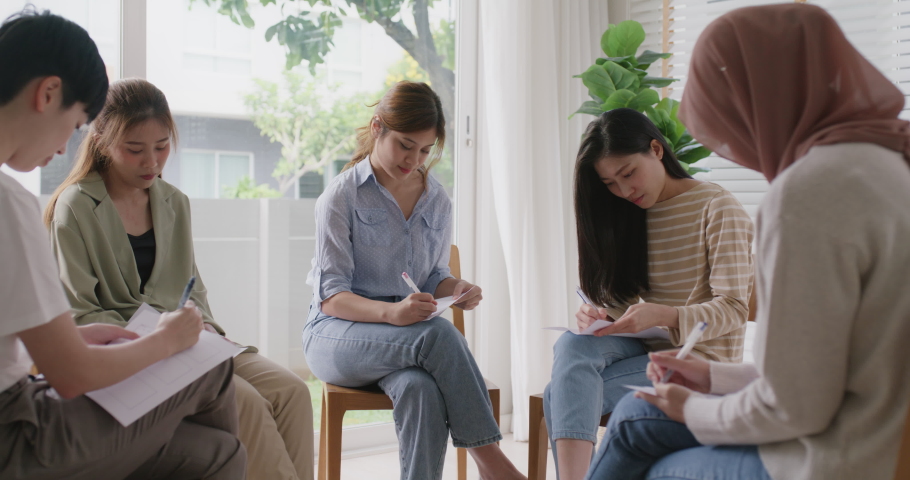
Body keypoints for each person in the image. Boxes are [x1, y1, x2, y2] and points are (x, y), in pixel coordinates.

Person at [586, 4, 910, 480]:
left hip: (837, 455)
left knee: (647, 438)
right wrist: (714, 378)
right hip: (884, 436)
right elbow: (836, 366)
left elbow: (795, 406)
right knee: (639, 414)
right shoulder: (889, 165)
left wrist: (693, 408)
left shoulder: (809, 191)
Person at [0, 9, 245, 479]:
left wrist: (65, 341)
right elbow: (71, 377)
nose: (64, 147)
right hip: (18, 437)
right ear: (47, 93)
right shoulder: (12, 203)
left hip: (22, 410)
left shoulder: (171, 202)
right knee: (208, 366)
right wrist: (167, 340)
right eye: (74, 124)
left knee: (221, 453)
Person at [45, 77, 313, 480]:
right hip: (138, 355)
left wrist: (203, 322)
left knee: (292, 391)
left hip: (192, 343)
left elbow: (194, 288)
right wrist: (159, 337)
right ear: (101, 140)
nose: (151, 162)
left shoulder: (174, 202)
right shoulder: (76, 207)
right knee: (250, 406)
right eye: (134, 150)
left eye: (162, 146)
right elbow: (79, 313)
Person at [303, 81, 526, 480]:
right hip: (337, 336)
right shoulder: (341, 197)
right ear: (377, 128)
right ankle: (492, 462)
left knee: (420, 389)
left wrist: (455, 288)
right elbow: (331, 297)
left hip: (403, 342)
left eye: (425, 150)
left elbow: (434, 274)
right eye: (405, 145)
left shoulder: (437, 199)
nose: (414, 159)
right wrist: (393, 313)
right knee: (437, 335)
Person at [543, 108, 754, 480]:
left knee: (558, 393)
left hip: (699, 358)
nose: (624, 191)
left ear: (656, 149)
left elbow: (735, 307)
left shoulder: (717, 207)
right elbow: (622, 301)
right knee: (573, 345)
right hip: (644, 347)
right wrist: (596, 314)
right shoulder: (633, 212)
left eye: (628, 174)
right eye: (609, 184)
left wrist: (665, 315)